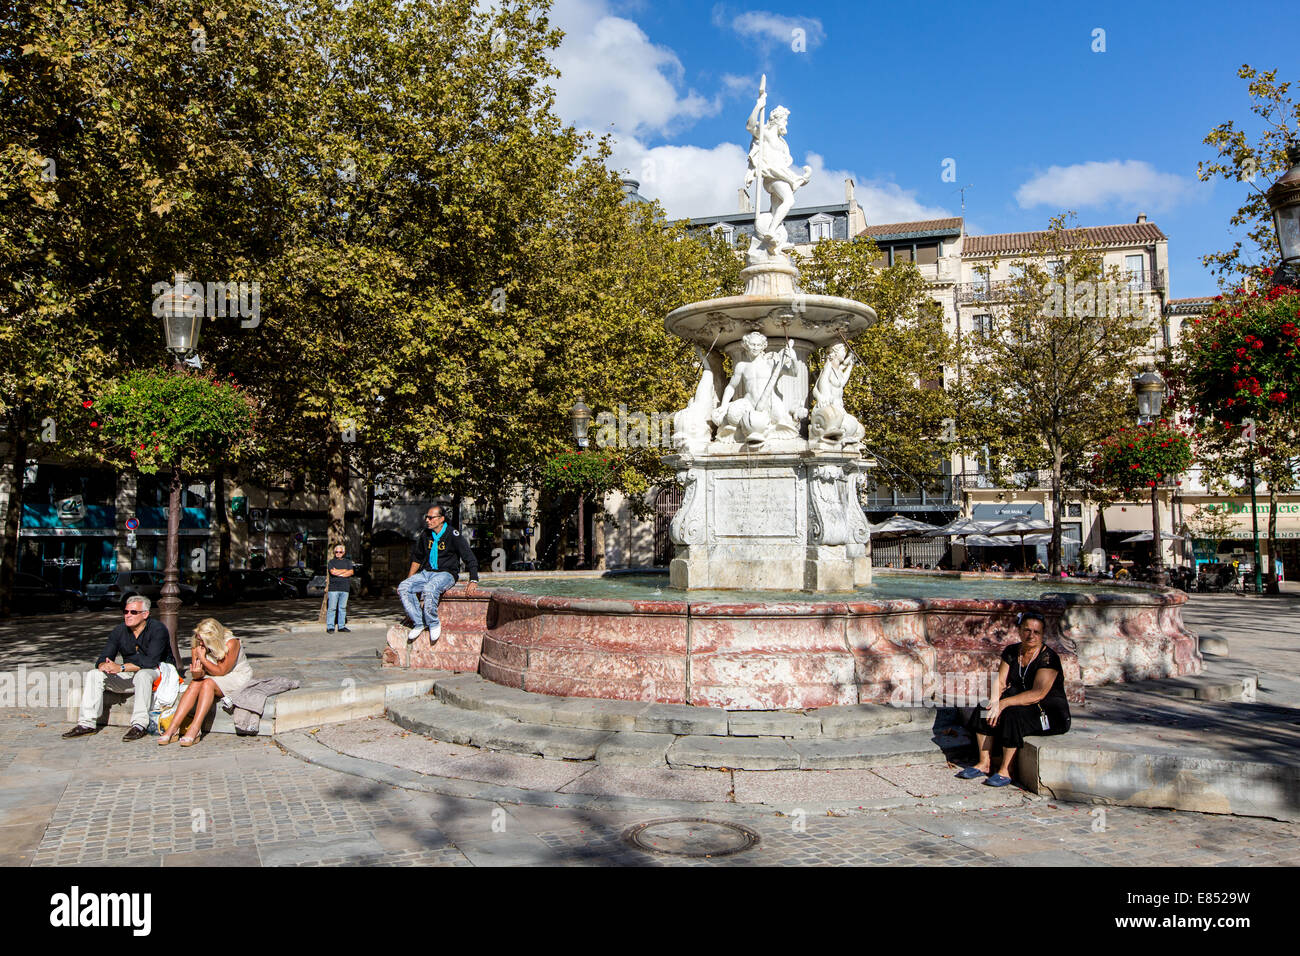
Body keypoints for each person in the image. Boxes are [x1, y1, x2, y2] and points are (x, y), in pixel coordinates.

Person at [956, 611, 1070, 786]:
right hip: (1022, 703)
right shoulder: (1012, 651)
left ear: (1042, 634)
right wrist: (994, 703)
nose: (1031, 635)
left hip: (1050, 713)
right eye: (1027, 630)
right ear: (1019, 630)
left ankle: (1006, 770)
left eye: (1036, 632)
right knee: (983, 709)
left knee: (1012, 715)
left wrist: (1003, 704)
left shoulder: (1049, 658)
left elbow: (1038, 693)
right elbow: (1000, 681)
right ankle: (984, 762)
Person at [63, 595, 174, 741]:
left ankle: (139, 725)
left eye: (133, 612)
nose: (128, 615)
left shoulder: (158, 629)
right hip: (130, 673)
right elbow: (103, 658)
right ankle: (86, 724)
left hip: (157, 672)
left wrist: (120, 667)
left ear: (145, 614)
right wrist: (105, 666)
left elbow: (150, 661)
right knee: (94, 674)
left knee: (143, 675)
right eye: (126, 612)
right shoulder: (119, 630)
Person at [158, 618, 253, 747]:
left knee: (208, 683)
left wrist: (202, 658)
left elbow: (222, 671)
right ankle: (173, 728)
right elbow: (201, 673)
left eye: (203, 640)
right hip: (212, 676)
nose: (200, 643)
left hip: (236, 676)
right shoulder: (197, 643)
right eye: (198, 639)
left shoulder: (231, 642)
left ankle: (195, 728)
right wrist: (197, 674)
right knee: (196, 683)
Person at [398, 504, 479, 643]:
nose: (427, 520)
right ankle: (419, 622)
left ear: (441, 519)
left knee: (430, 588)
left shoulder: (453, 535)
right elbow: (417, 558)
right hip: (427, 573)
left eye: (431, 517)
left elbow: (469, 557)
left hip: (446, 573)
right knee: (403, 587)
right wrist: (410, 578)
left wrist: (473, 580)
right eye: (427, 517)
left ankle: (433, 623)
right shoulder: (425, 534)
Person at [325, 544, 355, 633]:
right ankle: (330, 627)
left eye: (340, 552)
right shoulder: (331, 562)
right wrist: (344, 571)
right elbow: (332, 572)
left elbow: (351, 572)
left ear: (344, 552)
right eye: (336, 552)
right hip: (333, 588)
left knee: (342, 608)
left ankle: (341, 626)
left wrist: (339, 572)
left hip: (345, 588)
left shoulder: (348, 562)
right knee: (332, 608)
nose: (338, 553)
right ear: (334, 553)